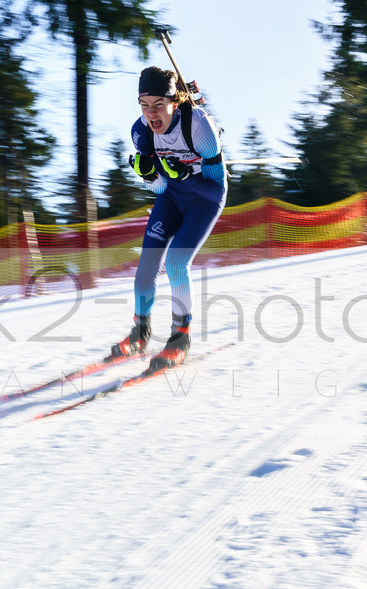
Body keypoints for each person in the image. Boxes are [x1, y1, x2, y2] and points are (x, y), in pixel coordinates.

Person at [109, 66, 227, 368]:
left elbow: (215, 191)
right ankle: (140, 333)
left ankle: (180, 338)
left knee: (176, 262)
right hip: (171, 198)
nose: (152, 114)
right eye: (145, 106)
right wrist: (149, 175)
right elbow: (160, 186)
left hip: (203, 201)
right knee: (146, 265)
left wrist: (187, 175)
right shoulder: (141, 132)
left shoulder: (200, 127)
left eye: (159, 105)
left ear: (174, 102)